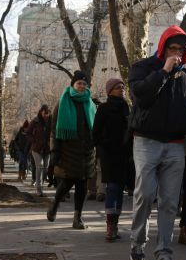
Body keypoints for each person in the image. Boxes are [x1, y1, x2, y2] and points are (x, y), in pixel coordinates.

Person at [128, 25, 186, 260]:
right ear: (163, 47)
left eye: (181, 49)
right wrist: (164, 72)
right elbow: (140, 95)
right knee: (145, 195)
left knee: (169, 202)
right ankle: (137, 242)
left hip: (175, 145)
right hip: (146, 141)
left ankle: (164, 251)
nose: (177, 53)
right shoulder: (143, 67)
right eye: (172, 48)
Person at [46, 70, 97, 229]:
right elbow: (54, 130)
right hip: (68, 150)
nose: (82, 86)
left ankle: (77, 218)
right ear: (73, 85)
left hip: (87, 151)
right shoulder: (63, 102)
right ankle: (55, 204)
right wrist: (54, 150)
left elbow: (95, 126)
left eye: (84, 84)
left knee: (82, 185)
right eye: (79, 83)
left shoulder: (90, 103)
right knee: (66, 183)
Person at [92, 78, 130, 242]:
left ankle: (115, 223)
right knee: (112, 187)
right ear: (110, 91)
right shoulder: (104, 108)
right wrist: (102, 147)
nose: (121, 89)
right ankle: (110, 224)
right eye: (117, 87)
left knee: (120, 188)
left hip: (124, 153)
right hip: (108, 153)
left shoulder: (126, 107)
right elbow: (96, 132)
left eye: (122, 87)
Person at [27, 105, 52, 196]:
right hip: (36, 149)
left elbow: (53, 132)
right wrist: (34, 141)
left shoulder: (50, 121)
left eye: (47, 113)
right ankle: (39, 190)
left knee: (46, 168)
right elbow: (28, 133)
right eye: (44, 113)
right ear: (41, 112)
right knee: (39, 166)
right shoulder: (35, 121)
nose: (46, 115)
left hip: (47, 149)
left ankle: (41, 187)